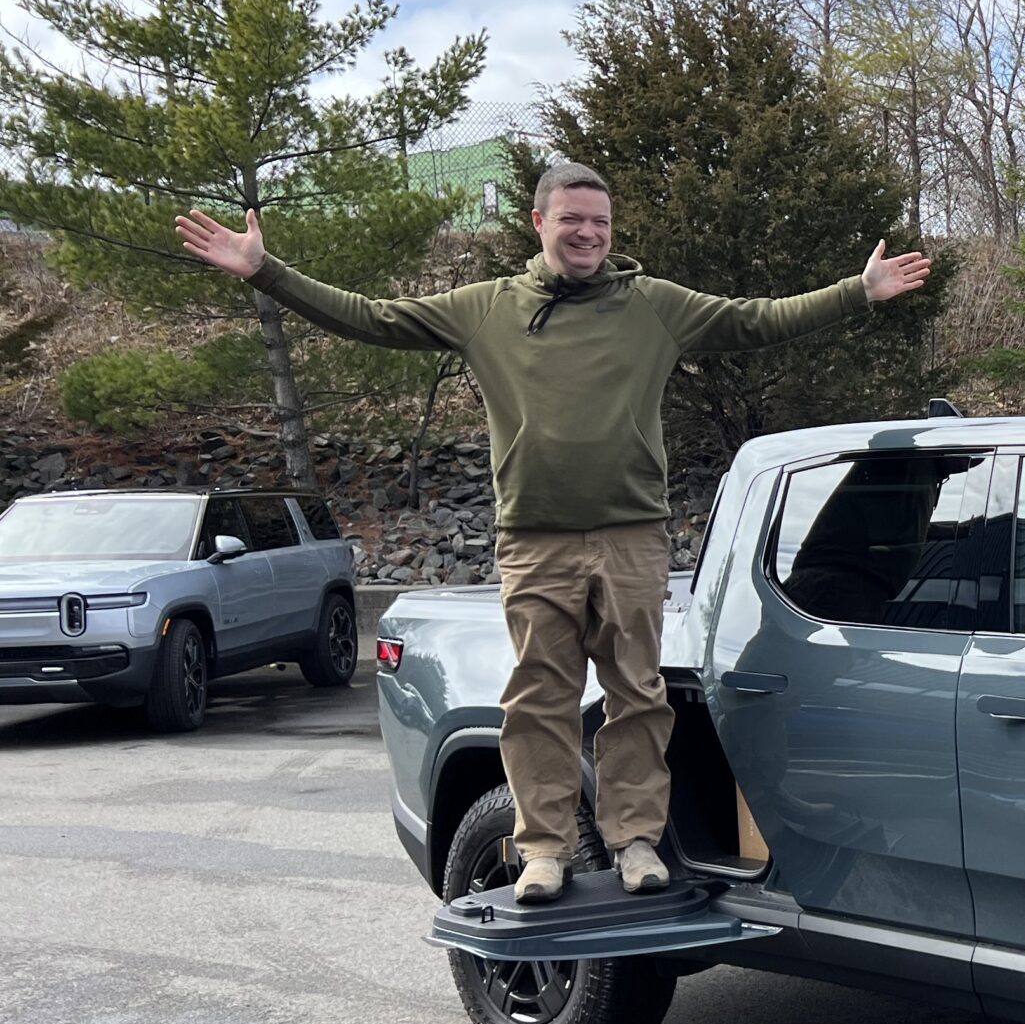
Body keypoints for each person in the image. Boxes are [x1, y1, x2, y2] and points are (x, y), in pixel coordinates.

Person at [175, 164, 931, 905]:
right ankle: (543, 848)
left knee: (638, 692)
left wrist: (856, 292)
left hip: (633, 535)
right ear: (539, 222)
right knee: (539, 699)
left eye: (600, 223)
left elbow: (755, 319)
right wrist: (265, 270)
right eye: (572, 220)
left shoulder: (653, 306)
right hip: (535, 541)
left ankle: (635, 840)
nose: (588, 234)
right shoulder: (487, 308)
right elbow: (373, 317)